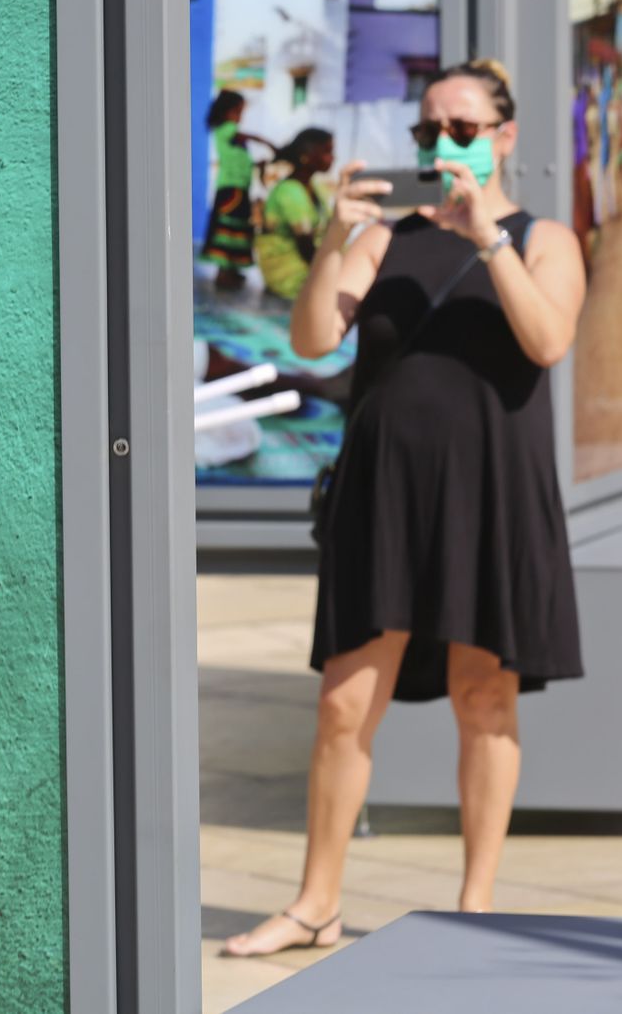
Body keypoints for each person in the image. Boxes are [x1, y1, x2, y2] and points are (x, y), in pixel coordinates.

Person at [222, 58, 586, 957]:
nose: (441, 144)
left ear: (502, 136)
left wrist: (486, 236)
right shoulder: (385, 237)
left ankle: (476, 905)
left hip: (491, 494)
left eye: (460, 128)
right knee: (345, 704)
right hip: (383, 492)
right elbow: (312, 336)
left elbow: (546, 340)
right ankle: (316, 904)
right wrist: (335, 242)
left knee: (484, 698)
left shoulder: (546, 238)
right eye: (427, 131)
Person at [201, 89, 276, 290]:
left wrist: (256, 165)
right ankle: (223, 271)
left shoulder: (237, 140)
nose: (240, 116)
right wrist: (265, 141)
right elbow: (241, 134)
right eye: (238, 111)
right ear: (227, 111)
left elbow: (240, 162)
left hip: (240, 188)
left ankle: (232, 270)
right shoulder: (224, 130)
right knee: (229, 228)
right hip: (230, 190)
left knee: (240, 228)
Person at [255, 127, 335, 302]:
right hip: (288, 270)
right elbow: (305, 246)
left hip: (308, 261)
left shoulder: (315, 187)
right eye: (327, 152)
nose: (332, 158)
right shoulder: (290, 192)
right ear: (306, 155)